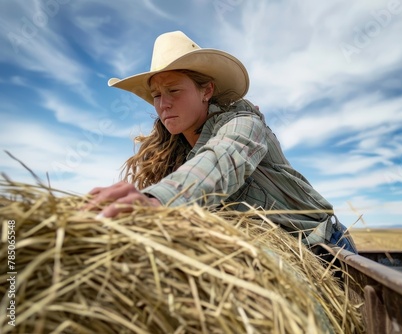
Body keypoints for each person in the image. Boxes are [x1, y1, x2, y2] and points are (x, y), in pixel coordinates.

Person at [87, 31, 357, 254]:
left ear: (206, 91)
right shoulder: (176, 152)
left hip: (322, 246)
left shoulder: (244, 123)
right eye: (156, 94)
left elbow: (222, 159)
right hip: (271, 251)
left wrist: (158, 201)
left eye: (174, 90)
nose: (163, 104)